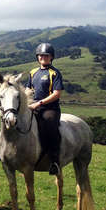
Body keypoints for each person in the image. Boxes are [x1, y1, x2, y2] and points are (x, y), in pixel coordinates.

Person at [26, 43, 64, 175]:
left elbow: (56, 94)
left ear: (51, 57)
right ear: (37, 57)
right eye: (41, 55)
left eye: (46, 55)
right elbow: (28, 89)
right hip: (33, 106)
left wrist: (39, 103)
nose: (43, 57)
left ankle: (54, 161)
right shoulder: (33, 72)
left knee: (50, 126)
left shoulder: (54, 73)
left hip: (50, 109)